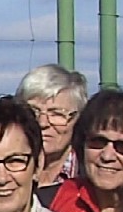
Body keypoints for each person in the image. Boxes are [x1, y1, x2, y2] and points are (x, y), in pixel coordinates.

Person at [17, 63, 88, 204]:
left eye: (56, 114)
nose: (42, 123)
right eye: (33, 111)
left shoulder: (91, 177)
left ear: (78, 119)